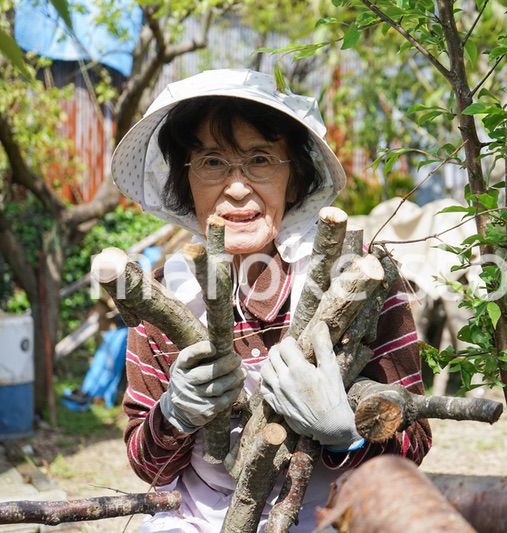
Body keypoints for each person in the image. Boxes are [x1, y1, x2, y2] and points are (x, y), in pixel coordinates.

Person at [112, 68, 431, 532]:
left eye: (260, 160)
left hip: (334, 518)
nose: (237, 186)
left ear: (295, 177)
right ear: (184, 181)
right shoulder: (162, 298)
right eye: (212, 162)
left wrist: (348, 434)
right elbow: (148, 467)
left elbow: (416, 443)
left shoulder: (361, 281)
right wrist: (174, 414)